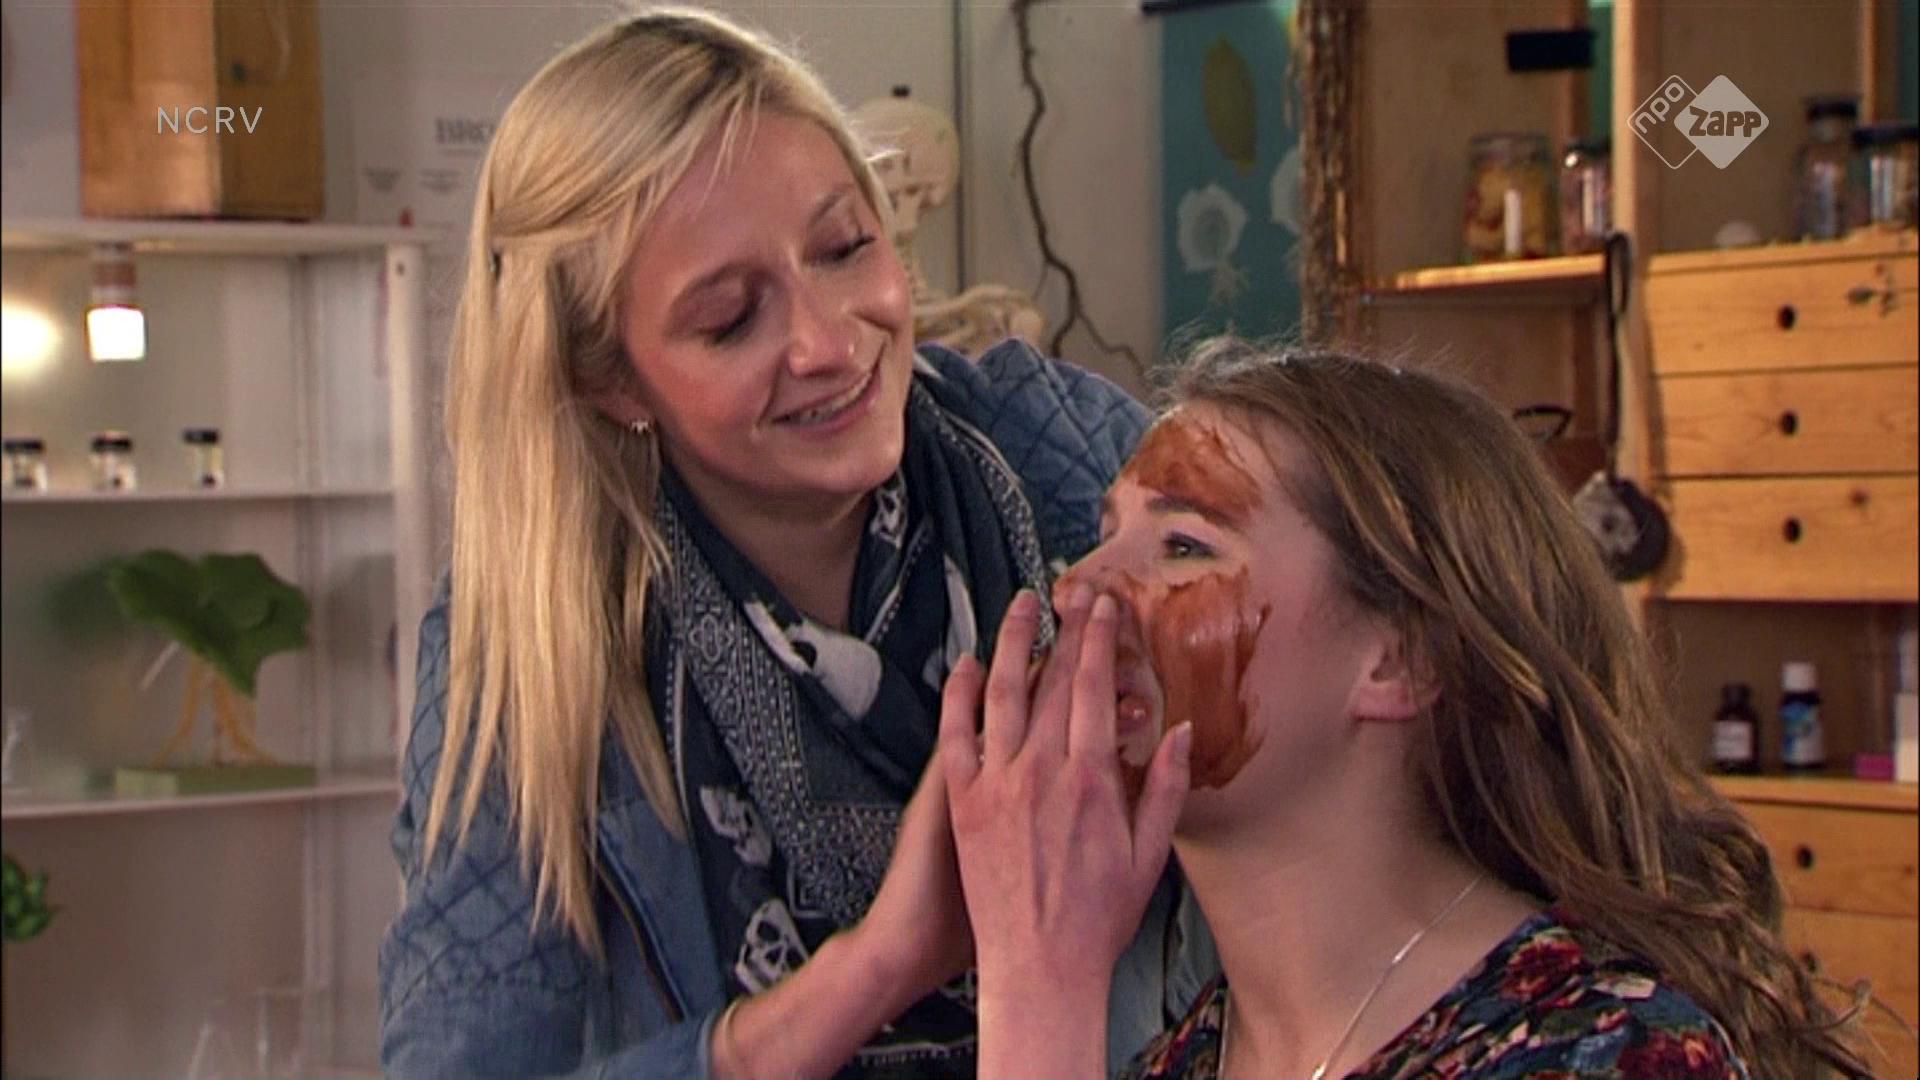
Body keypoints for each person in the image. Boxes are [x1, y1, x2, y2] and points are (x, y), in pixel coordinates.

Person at [377, 9, 1213, 1079]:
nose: (829, 342)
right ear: (610, 379)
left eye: (846, 248)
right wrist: (879, 964)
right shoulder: (531, 640)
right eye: (731, 319)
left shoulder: (1067, 458)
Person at [939, 339, 1874, 1080]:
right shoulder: (1182, 1061)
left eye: (1184, 546)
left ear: (1399, 659)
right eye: (1102, 537)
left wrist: (1039, 998)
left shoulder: (1609, 1051)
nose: (1078, 589)